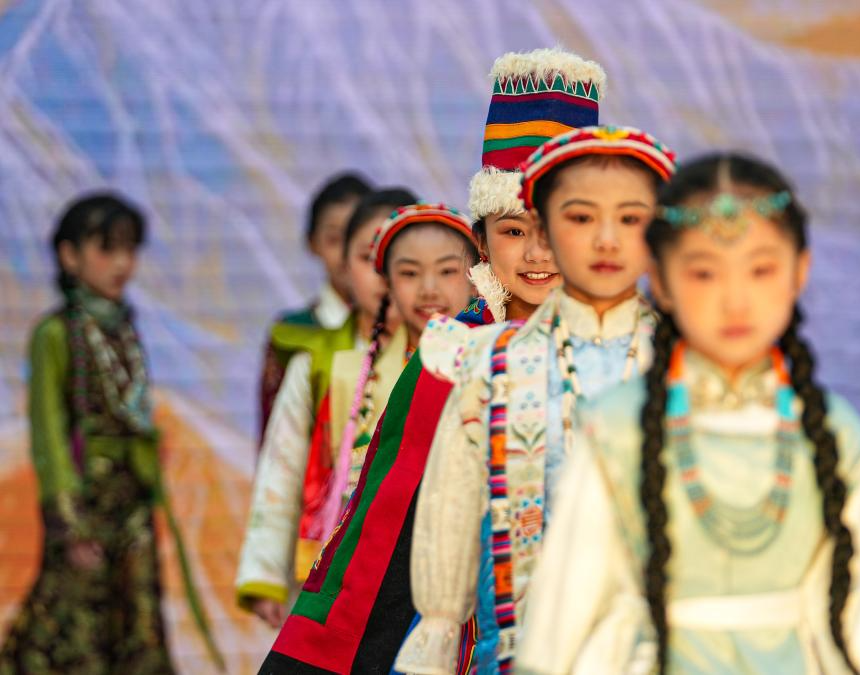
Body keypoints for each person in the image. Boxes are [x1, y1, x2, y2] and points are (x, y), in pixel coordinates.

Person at [259, 47, 606, 675]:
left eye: (557, 227)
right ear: (480, 241)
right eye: (513, 230)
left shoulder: (629, 350)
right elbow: (380, 540)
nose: (536, 253)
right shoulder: (453, 357)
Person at [517, 153, 860, 674]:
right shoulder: (619, 429)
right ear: (660, 281)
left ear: (799, 272)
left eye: (760, 270)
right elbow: (561, 620)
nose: (736, 301)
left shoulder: (832, 434)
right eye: (704, 273)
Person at [395, 126, 677, 674]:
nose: (605, 241)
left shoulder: (684, 365)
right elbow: (446, 523)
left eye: (628, 220)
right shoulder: (486, 360)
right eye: (580, 219)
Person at [0, 193, 221, 674]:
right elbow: (49, 432)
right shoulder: (55, 333)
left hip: (132, 503)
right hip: (85, 503)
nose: (122, 263)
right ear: (69, 255)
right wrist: (69, 521)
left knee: (138, 625)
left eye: (129, 249)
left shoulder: (124, 327)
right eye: (107, 249)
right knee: (75, 630)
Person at [237, 188, 414, 627]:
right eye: (369, 258)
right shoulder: (315, 362)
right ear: (344, 267)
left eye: (401, 260)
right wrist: (265, 573)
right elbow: (282, 465)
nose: (385, 275)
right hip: (334, 562)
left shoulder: (447, 355)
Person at [259, 173, 372, 447]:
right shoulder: (292, 331)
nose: (347, 253)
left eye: (358, 239)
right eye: (334, 239)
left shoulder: (403, 325)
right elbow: (276, 442)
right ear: (312, 243)